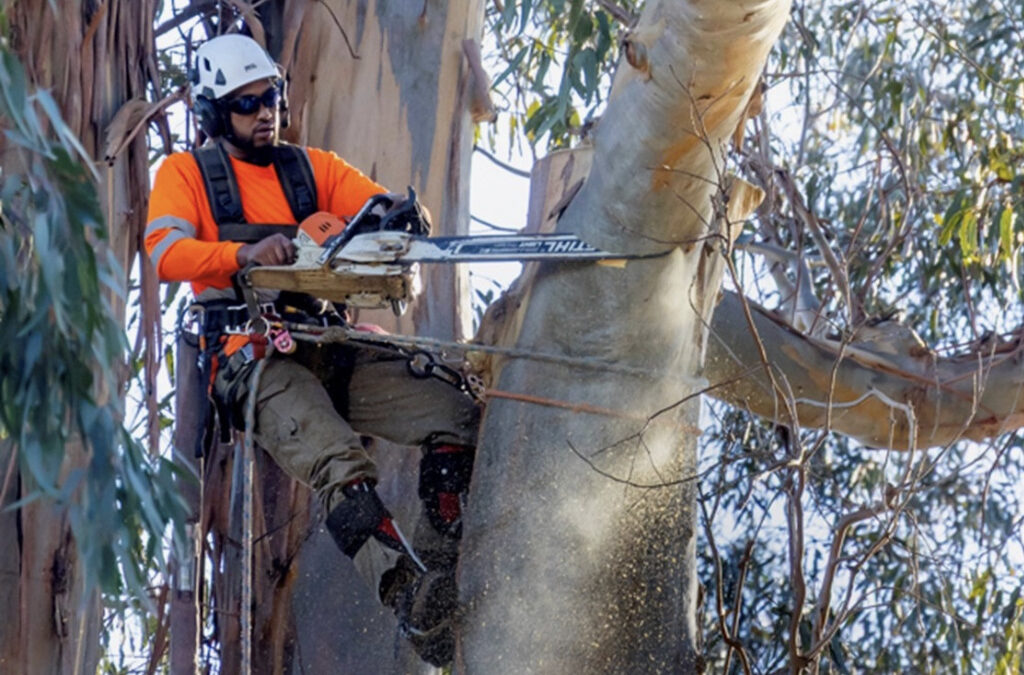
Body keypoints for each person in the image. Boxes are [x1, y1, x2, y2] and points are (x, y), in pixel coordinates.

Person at [144, 33, 478, 666]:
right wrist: (241, 255)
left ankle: (441, 570)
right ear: (216, 114)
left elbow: (372, 204)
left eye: (269, 96)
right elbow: (165, 253)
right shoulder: (186, 175)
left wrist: (396, 219)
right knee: (336, 458)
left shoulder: (312, 167)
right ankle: (409, 597)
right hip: (254, 357)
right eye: (246, 104)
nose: (263, 111)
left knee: (454, 412)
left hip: (331, 341)